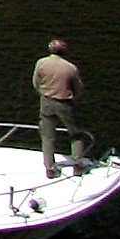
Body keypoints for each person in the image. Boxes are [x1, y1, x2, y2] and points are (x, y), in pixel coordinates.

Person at [33, 39, 84, 175]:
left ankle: (50, 168)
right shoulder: (70, 68)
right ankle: (77, 165)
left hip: (46, 101)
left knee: (48, 136)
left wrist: (44, 92)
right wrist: (73, 97)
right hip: (65, 103)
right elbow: (78, 89)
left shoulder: (41, 63)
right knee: (76, 133)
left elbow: (36, 82)